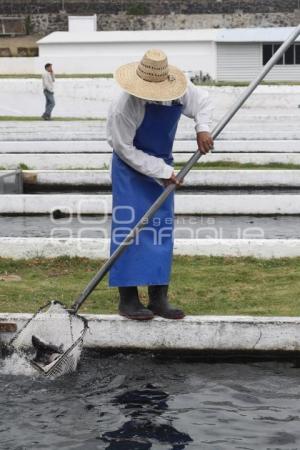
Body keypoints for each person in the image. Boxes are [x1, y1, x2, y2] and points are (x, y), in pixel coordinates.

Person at [107, 49, 213, 321]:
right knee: (130, 230)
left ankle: (158, 298)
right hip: (130, 169)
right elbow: (124, 148)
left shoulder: (179, 87)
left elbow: (202, 101)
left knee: (160, 230)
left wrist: (202, 127)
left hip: (163, 167)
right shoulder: (124, 106)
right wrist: (163, 171)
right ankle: (128, 300)